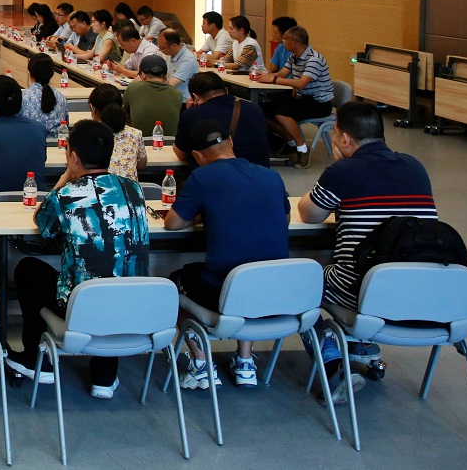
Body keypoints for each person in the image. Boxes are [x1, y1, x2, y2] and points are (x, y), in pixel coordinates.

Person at [297, 102, 439, 402]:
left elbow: (308, 214)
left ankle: (333, 366)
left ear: (345, 139)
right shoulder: (415, 166)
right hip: (422, 291)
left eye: (335, 134)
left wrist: (338, 167)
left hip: (364, 291)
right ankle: (359, 343)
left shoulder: (343, 171)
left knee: (299, 284)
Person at [8, 120, 150, 393]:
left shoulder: (66, 195)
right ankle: (104, 377)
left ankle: (36, 360)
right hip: (132, 304)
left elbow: (44, 224)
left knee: (28, 269)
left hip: (83, 307)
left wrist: (65, 177)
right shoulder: (134, 190)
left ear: (73, 158)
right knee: (113, 274)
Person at [165, 120, 291, 390]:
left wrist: (202, 214)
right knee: (250, 272)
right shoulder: (270, 176)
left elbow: (173, 223)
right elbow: (286, 218)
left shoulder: (202, 177)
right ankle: (245, 362)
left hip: (225, 290)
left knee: (173, 283)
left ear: (198, 156)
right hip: (275, 289)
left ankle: (201, 364)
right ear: (231, 142)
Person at [257, 25, 334, 167]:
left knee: (282, 113)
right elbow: (282, 74)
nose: (282, 43)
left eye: (285, 40)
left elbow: (301, 83)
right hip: (302, 98)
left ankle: (302, 149)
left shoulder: (314, 59)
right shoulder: (294, 57)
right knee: (261, 108)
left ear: (294, 42)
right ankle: (290, 142)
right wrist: (263, 76)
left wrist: (273, 79)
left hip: (319, 103)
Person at [174, 71, 271, 169]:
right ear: (226, 90)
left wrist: (190, 112)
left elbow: (182, 155)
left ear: (195, 97)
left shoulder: (191, 115)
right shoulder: (254, 109)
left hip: (217, 175)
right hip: (259, 173)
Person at [88, 85, 146, 180]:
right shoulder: (135, 134)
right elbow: (142, 164)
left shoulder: (85, 135)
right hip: (129, 189)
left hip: (98, 188)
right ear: (122, 107)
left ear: (93, 108)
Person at [121, 54, 184, 136]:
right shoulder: (177, 94)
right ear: (166, 76)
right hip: (169, 142)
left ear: (143, 75)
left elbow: (124, 113)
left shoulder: (133, 88)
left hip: (140, 140)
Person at [19, 54, 70, 130]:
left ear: (29, 74)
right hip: (57, 138)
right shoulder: (61, 98)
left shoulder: (22, 97)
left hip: (30, 137)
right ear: (52, 73)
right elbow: (65, 126)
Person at [158, 28, 200, 100]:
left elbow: (171, 84)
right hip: (171, 96)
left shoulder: (188, 60)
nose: (160, 50)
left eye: (162, 48)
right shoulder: (170, 54)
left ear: (174, 46)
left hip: (183, 101)